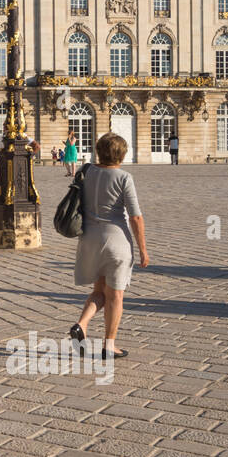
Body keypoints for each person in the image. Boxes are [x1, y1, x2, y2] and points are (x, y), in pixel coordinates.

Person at [68, 133, 149, 360]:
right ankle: (109, 345)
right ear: (122, 155)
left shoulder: (87, 172)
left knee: (98, 290)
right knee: (115, 296)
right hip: (116, 242)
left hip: (89, 239)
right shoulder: (124, 177)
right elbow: (136, 218)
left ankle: (81, 325)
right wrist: (143, 249)